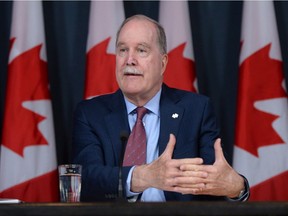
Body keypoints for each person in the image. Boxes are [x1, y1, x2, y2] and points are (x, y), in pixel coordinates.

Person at [72, 14, 250, 202]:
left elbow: (216, 179)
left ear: (163, 63)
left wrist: (237, 188)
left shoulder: (196, 110)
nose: (129, 60)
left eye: (141, 50)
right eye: (123, 50)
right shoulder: (91, 113)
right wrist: (145, 176)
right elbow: (86, 179)